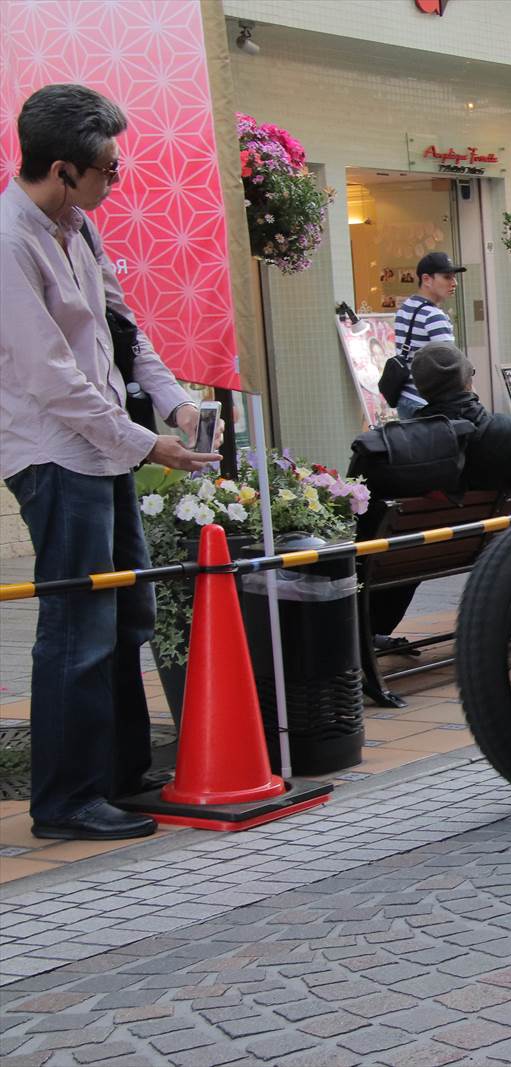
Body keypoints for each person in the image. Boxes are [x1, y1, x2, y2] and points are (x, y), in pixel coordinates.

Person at [2, 84, 221, 841]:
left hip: (105, 449)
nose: (115, 182)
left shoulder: (79, 226)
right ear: (62, 169)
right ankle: (65, 800)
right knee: (77, 625)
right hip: (54, 455)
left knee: (128, 612)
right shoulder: (11, 241)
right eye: (108, 169)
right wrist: (147, 444)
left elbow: (123, 328)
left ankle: (121, 773)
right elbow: (51, 379)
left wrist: (176, 404)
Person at [364, 342, 511, 639]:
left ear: (422, 389)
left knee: (398, 549)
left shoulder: (401, 444)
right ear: (467, 380)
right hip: (487, 545)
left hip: (416, 555)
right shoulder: (502, 429)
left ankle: (367, 632)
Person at [392, 252, 467, 418]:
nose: (454, 283)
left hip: (405, 398)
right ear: (426, 279)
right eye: (447, 277)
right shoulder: (434, 316)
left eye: (454, 277)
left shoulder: (405, 309)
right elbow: (451, 367)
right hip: (428, 403)